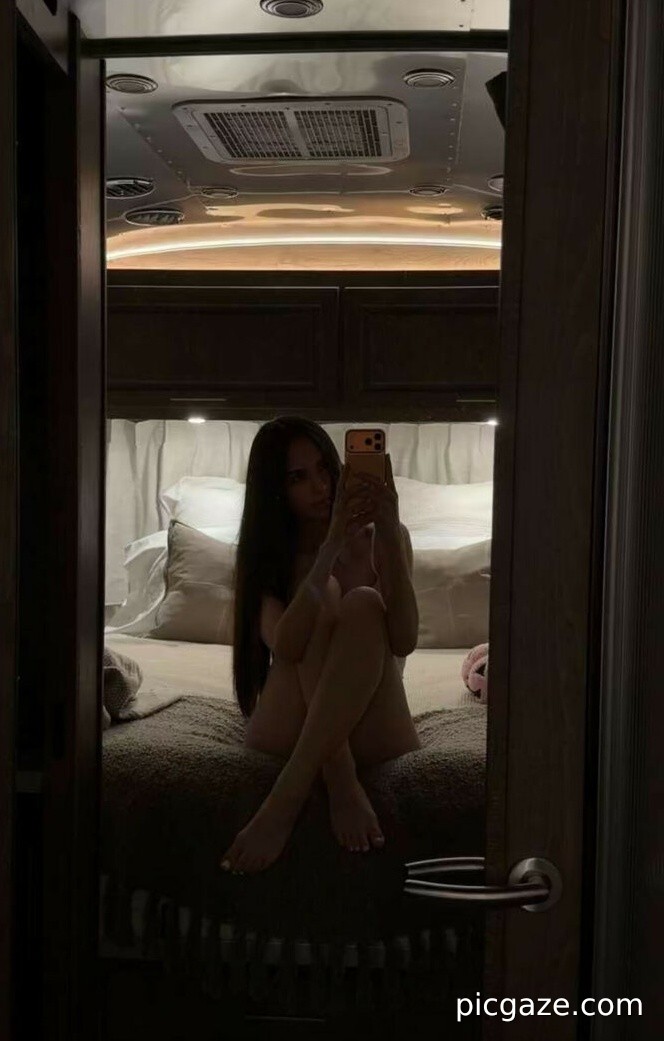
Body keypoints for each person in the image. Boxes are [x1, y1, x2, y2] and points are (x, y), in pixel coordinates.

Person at [220, 416, 421, 875]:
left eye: (324, 469)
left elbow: (405, 639)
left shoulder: (389, 538)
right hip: (289, 726)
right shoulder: (268, 557)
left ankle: (286, 793)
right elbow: (288, 647)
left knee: (365, 603)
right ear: (275, 490)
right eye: (298, 477)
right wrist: (328, 550)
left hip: (373, 722)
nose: (320, 486)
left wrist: (389, 533)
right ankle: (334, 777)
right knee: (322, 595)